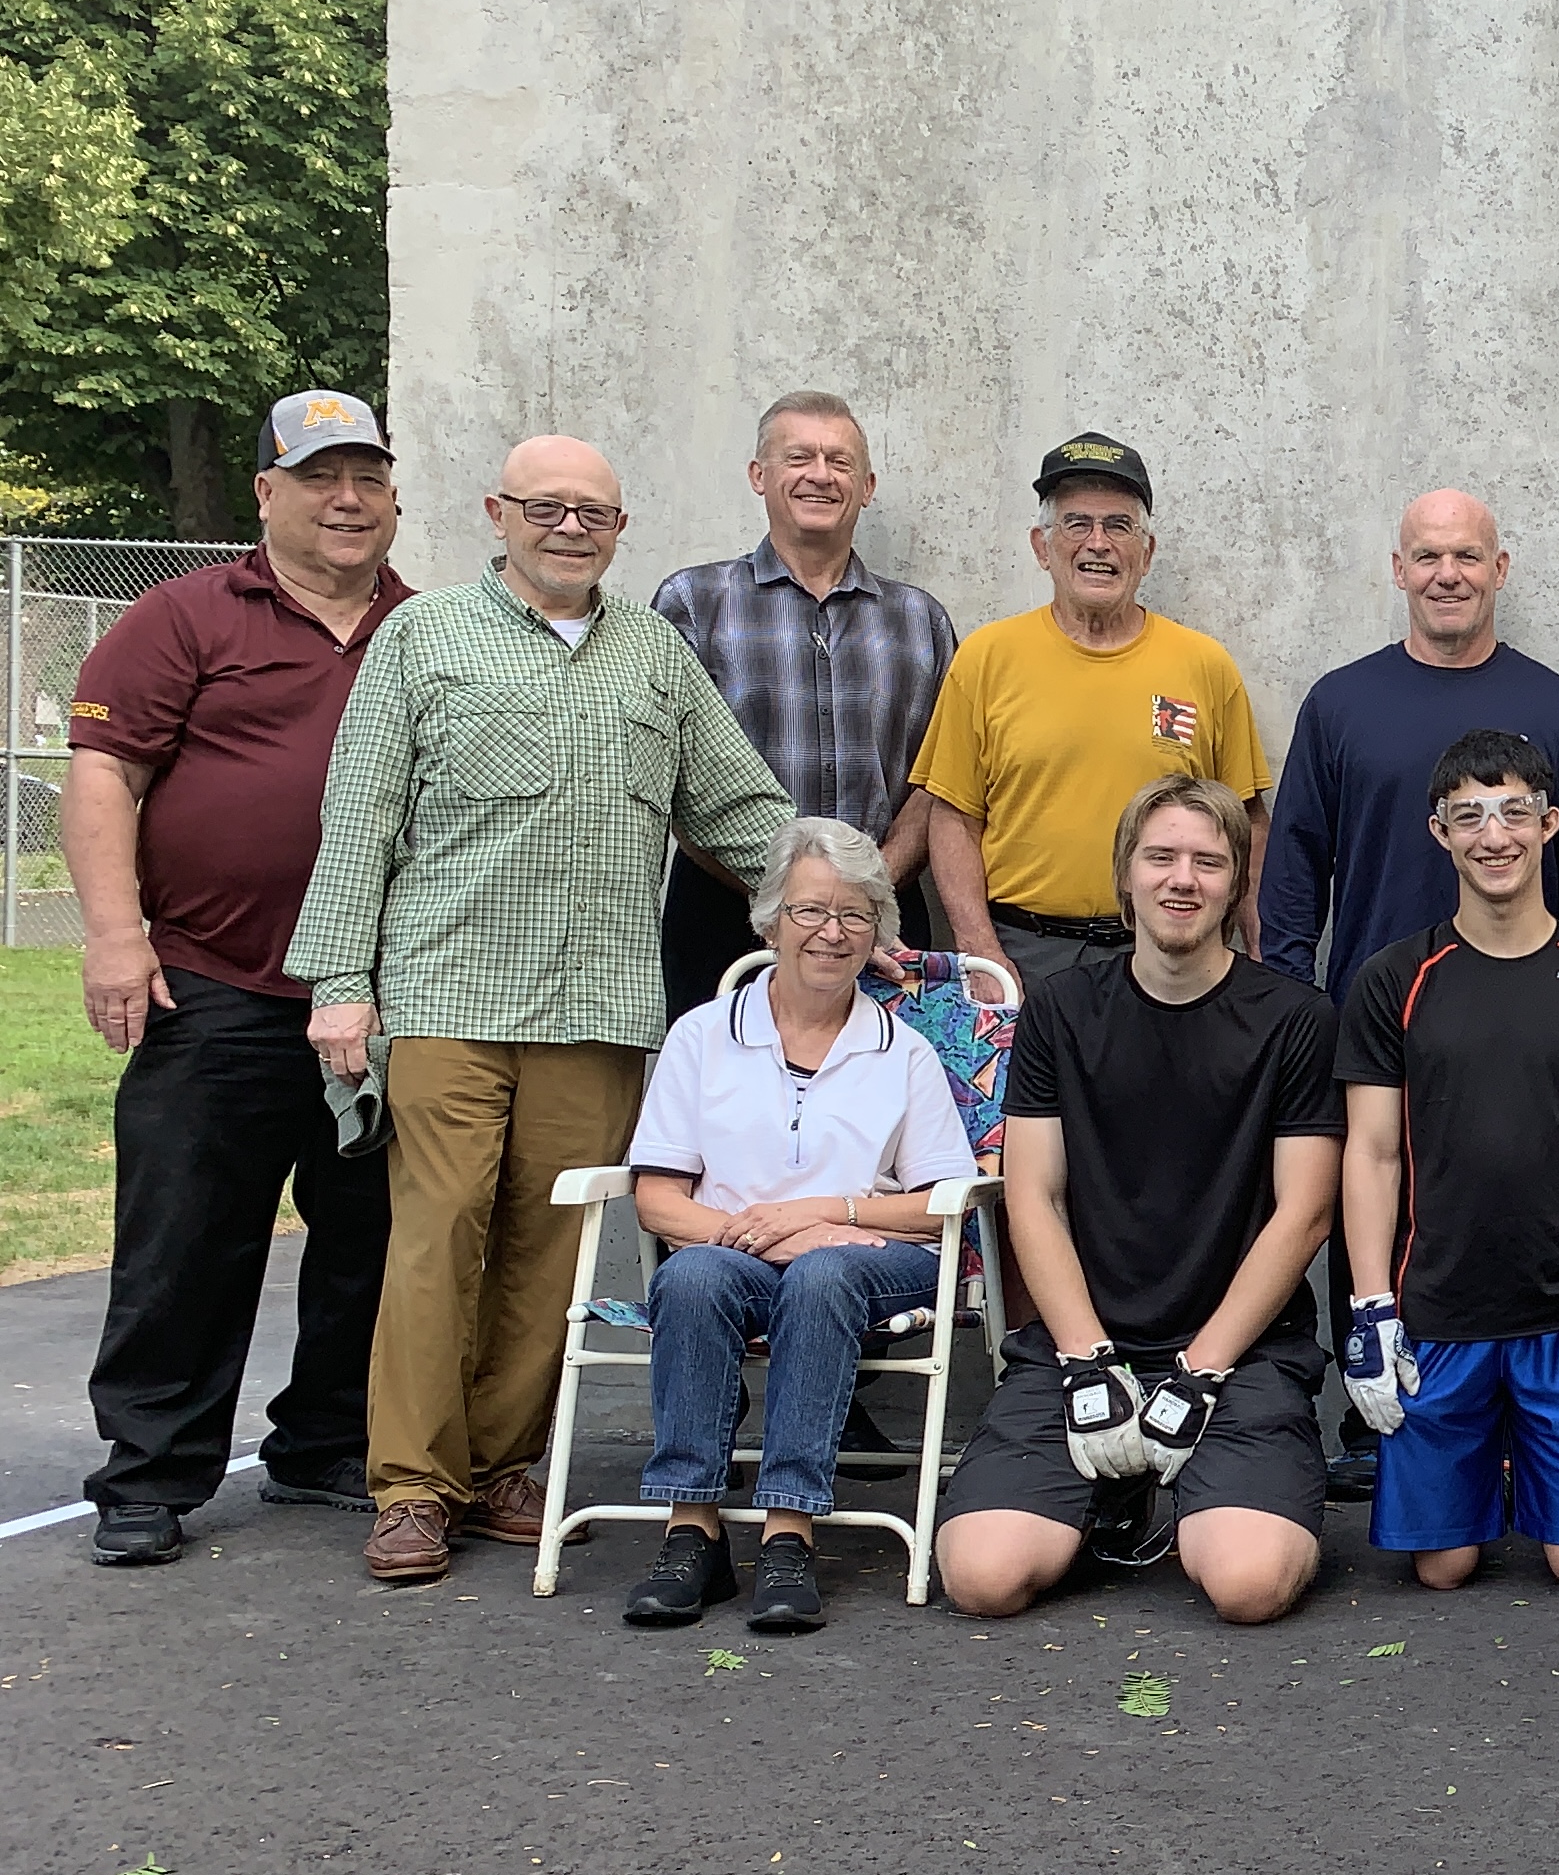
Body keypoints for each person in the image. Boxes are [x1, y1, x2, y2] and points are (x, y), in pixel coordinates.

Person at [288, 437, 793, 1585]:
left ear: (620, 530)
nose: (571, 528)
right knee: (437, 1239)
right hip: (448, 997)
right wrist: (340, 985)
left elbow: (740, 805)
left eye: (595, 513)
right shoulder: (422, 639)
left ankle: (507, 1465)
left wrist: (846, 904)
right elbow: (358, 813)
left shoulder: (655, 657)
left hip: (598, 1010)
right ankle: (414, 1488)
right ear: (497, 514)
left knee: (552, 1250)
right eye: (547, 508)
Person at [63, 389, 414, 1563]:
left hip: (376, 994)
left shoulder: (431, 627)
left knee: (368, 1234)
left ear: (395, 496)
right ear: (268, 493)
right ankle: (150, 1477)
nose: (347, 500)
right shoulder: (184, 619)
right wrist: (117, 935)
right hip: (211, 983)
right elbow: (106, 771)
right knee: (187, 1237)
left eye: (366, 476)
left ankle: (326, 1445)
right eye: (319, 477)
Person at [930, 777, 1339, 1624]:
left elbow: (1305, 1214)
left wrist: (1201, 1370)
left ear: (1236, 883)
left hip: (1239, 1354)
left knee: (1249, 1585)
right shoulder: (1062, 1011)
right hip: (1087, 1346)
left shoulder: (1296, 1019)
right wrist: (1084, 1362)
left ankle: (1200, 1489)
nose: (1182, 879)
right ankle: (1110, 1499)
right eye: (1161, 857)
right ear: (1126, 876)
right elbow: (1032, 1196)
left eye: (1208, 862)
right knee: (981, 1577)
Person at [612, 821, 974, 1636]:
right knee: (691, 1274)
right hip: (734, 1253)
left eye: (855, 916)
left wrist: (825, 1216)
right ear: (770, 920)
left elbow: (942, 1201)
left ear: (877, 932)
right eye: (811, 912)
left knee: (823, 1275)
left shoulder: (902, 1051)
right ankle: (691, 1532)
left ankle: (788, 1532)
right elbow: (660, 1202)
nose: (832, 934)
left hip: (880, 1257)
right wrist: (764, 1236)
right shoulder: (703, 1036)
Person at [1337, 729, 1559, 1594]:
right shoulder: (1392, 979)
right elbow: (1371, 1154)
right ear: (1438, 831)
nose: (1495, 835)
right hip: (1437, 1314)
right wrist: (1372, 1307)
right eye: (1471, 815)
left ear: (1550, 822)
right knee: (1442, 1569)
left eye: (1515, 812)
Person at [909, 434, 1273, 1005]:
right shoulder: (986, 659)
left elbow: (1246, 820)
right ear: (1041, 545)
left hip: (1168, 953)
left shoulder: (1204, 666)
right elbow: (953, 817)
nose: (1097, 544)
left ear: (1147, 552)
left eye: (1119, 526)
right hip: (1023, 955)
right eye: (1076, 524)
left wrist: (1251, 942)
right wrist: (981, 950)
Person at [649, 392, 959, 1008]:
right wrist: (787, 898)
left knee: (880, 1097)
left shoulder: (919, 619)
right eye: (799, 457)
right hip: (724, 916)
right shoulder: (693, 604)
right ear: (758, 476)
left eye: (840, 462)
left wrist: (860, 895)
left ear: (866, 486)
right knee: (726, 1100)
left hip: (883, 919)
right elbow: (673, 775)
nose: (820, 474)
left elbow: (942, 781)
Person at [1264, 487, 1559, 986]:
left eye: (1467, 556)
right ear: (1400, 570)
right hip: (1375, 1021)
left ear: (1499, 569)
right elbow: (1293, 872)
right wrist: (1294, 1005)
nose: (1448, 575)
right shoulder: (1339, 706)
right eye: (1427, 557)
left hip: (1531, 1020)